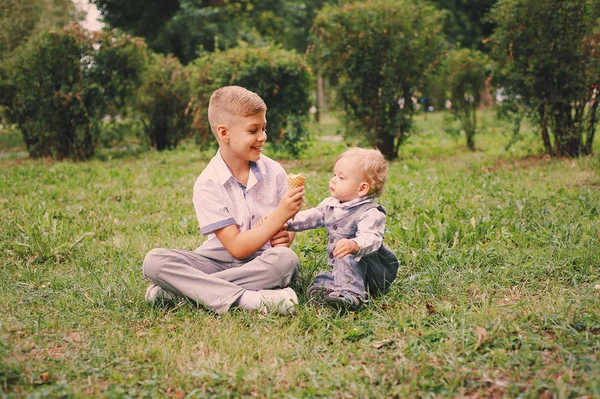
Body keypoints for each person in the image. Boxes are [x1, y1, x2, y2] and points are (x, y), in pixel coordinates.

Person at [142, 86, 305, 315]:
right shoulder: (207, 184)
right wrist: (280, 214)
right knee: (154, 261)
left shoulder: (275, 172)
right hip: (215, 260)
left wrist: (285, 234)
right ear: (224, 133)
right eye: (253, 130)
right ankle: (249, 299)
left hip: (261, 262)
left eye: (264, 128)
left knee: (286, 260)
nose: (263, 137)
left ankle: (184, 292)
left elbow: (285, 236)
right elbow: (237, 248)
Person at [287, 147, 399, 311]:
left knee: (347, 253)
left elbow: (372, 238)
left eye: (341, 177)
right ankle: (330, 291)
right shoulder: (331, 204)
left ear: (362, 188)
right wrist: (286, 222)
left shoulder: (370, 212)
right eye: (334, 175)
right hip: (344, 270)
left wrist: (354, 244)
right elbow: (313, 216)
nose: (333, 180)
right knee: (323, 278)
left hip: (372, 272)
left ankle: (353, 296)